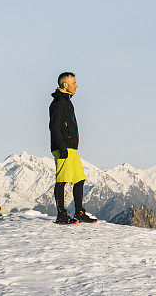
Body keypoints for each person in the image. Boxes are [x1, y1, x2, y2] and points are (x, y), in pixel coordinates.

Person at [49, 72, 97, 224]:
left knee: (79, 179)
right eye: (74, 82)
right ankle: (61, 214)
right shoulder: (58, 103)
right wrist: (62, 146)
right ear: (65, 85)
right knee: (62, 180)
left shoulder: (66, 101)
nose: (77, 85)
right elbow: (54, 127)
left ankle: (79, 212)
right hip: (63, 147)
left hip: (71, 148)